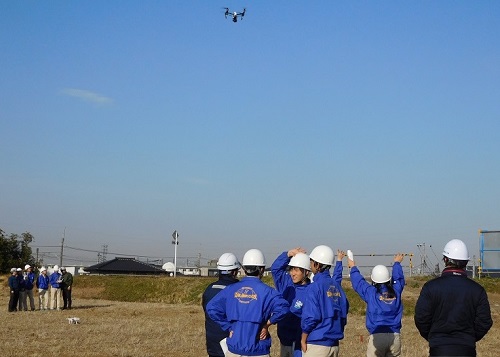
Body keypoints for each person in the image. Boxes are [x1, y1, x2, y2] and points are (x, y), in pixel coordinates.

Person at [414, 239, 492, 357]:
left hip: (438, 349)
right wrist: (468, 338)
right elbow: (484, 321)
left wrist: (434, 336)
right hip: (467, 349)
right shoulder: (477, 290)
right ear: (466, 262)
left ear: (445, 259)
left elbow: (421, 318)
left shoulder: (430, 287)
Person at [206, 248, 290, 357]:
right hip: (258, 349)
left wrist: (227, 326)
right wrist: (267, 323)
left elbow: (211, 308)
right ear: (262, 269)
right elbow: (284, 308)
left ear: (244, 269)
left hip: (235, 348)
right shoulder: (268, 291)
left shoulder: (231, 289)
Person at [347, 253, 405, 357]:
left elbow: (359, 283)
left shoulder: (371, 293)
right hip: (395, 336)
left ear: (373, 280)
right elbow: (399, 279)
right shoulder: (396, 291)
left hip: (377, 336)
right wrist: (397, 263)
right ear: (388, 279)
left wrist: (353, 267)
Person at [301, 245, 349, 357]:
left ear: (317, 265)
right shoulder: (337, 287)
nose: (310, 264)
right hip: (334, 345)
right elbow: (344, 310)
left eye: (311, 261)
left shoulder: (315, 287)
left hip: (317, 344)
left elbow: (311, 317)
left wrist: (303, 338)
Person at [271, 248, 311, 357]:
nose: (293, 273)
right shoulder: (286, 283)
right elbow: (275, 269)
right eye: (291, 269)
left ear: (306, 272)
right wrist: (287, 254)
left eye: (296, 270)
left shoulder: (311, 291)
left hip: (299, 343)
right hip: (284, 339)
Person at [202, 253, 240, 357]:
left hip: (212, 341)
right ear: (234, 271)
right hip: (231, 339)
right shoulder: (238, 290)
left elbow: (206, 310)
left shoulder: (209, 289)